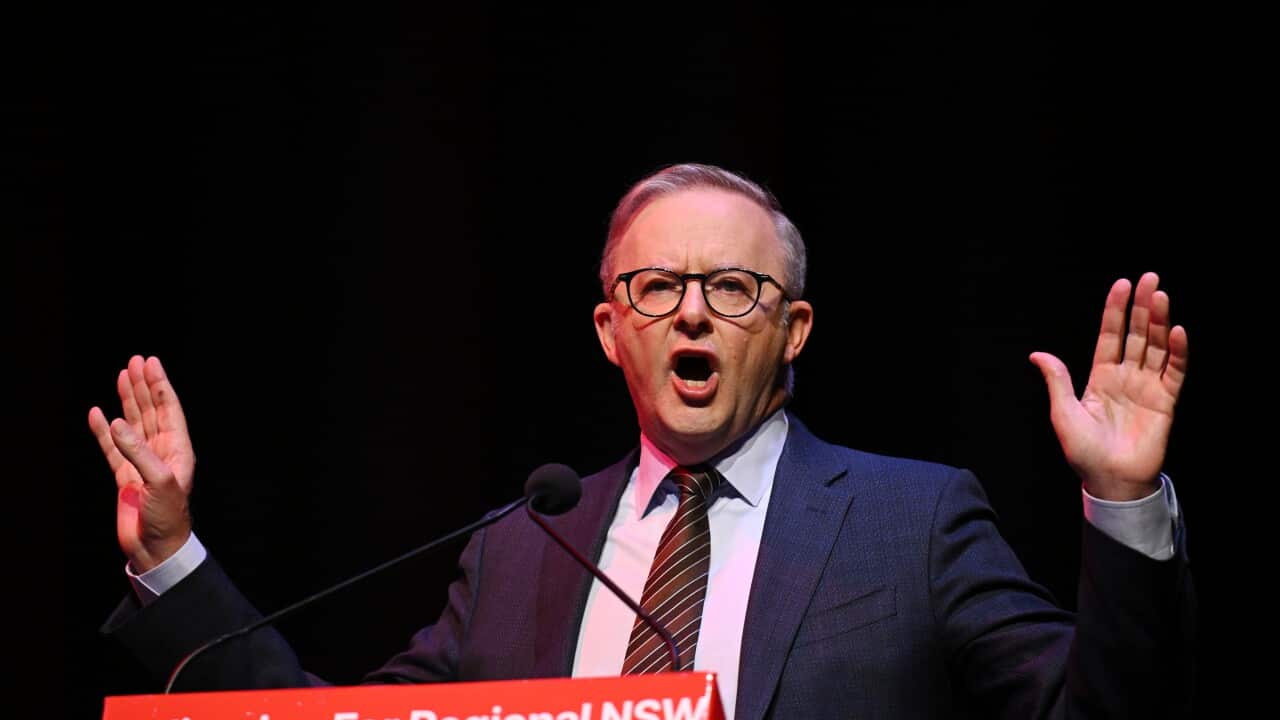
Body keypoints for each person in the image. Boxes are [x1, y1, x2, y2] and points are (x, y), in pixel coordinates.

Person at [91, 163, 1194, 718]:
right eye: (656, 285)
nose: (693, 313)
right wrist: (172, 556)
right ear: (610, 332)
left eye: (731, 285)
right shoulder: (523, 546)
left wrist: (1125, 508)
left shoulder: (912, 521)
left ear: (791, 329)